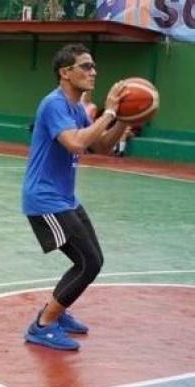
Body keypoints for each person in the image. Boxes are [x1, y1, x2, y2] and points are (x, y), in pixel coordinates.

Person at [22, 43, 128, 351]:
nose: (93, 72)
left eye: (93, 66)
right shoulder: (54, 104)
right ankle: (42, 326)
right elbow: (76, 144)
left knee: (92, 260)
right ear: (65, 73)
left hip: (66, 198)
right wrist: (108, 112)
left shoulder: (77, 109)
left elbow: (101, 147)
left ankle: (58, 312)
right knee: (88, 263)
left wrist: (122, 119)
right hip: (44, 200)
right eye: (85, 66)